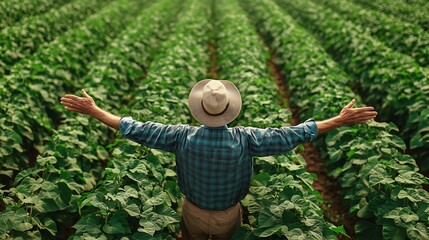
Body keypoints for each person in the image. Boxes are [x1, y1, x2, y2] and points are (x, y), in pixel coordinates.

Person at [60, 79, 377, 240]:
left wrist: (94, 111)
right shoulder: (247, 139)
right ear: (229, 110)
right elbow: (292, 134)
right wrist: (338, 120)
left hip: (193, 212)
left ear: (199, 108)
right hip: (228, 214)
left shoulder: (180, 136)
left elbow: (135, 129)